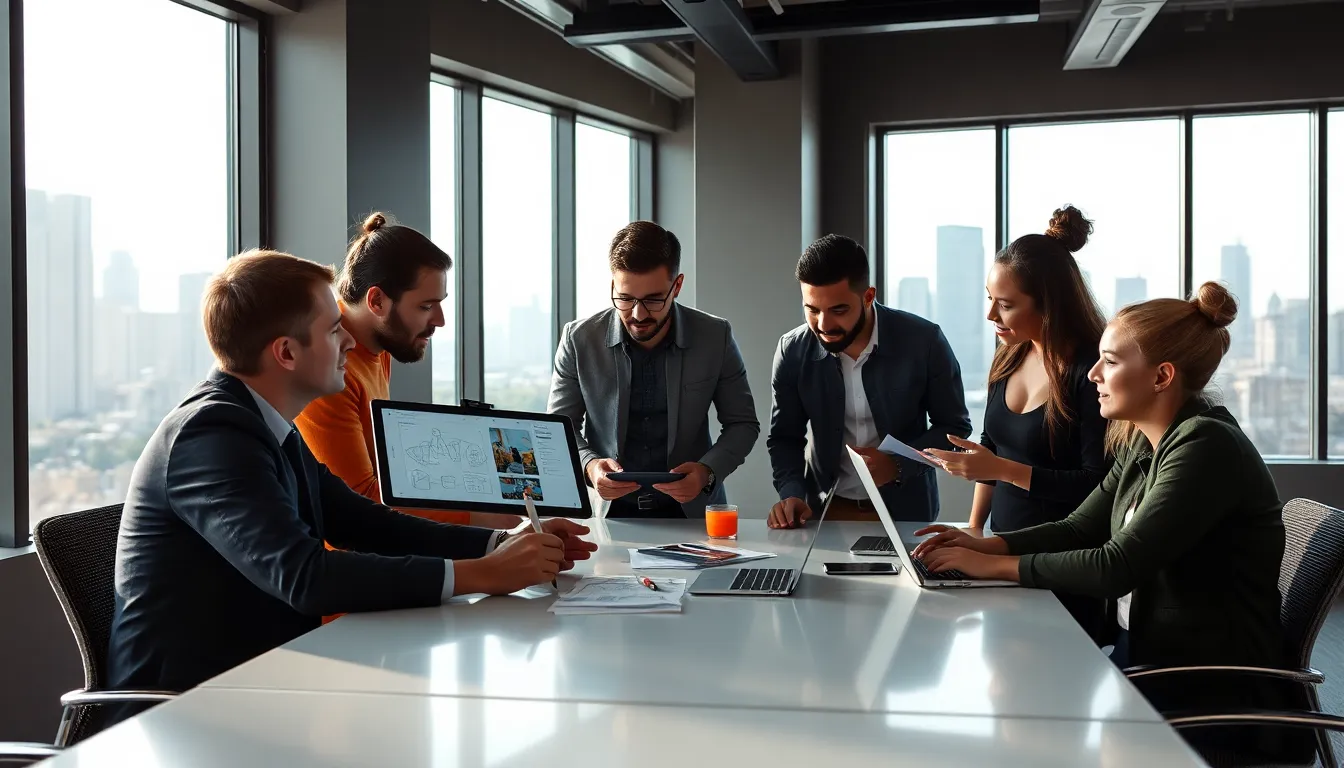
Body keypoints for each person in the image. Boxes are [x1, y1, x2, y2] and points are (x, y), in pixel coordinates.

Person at [107, 250, 596, 701]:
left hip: (265, 688)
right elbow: (304, 576)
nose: (348, 340)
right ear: (286, 353)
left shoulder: (264, 423)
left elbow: (361, 520)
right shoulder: (211, 435)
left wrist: (501, 544)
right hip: (186, 714)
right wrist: (481, 575)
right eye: (333, 329)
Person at [912, 283, 1293, 756]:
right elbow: (1078, 528)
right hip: (1150, 660)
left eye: (1110, 362)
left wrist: (989, 568)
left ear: (1161, 377)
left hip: (1207, 688)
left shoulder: (1205, 447)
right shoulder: (1143, 441)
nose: (1092, 373)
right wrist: (983, 546)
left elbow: (1117, 565)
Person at [923, 206, 1110, 637]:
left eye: (1005, 304)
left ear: (1049, 306)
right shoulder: (1010, 354)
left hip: (1060, 562)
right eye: (989, 298)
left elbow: (1095, 484)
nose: (991, 315)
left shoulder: (1092, 374)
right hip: (998, 551)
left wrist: (1002, 471)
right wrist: (973, 526)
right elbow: (991, 445)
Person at [296, 213, 518, 529]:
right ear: (377, 301)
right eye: (426, 306)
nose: (440, 320)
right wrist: (483, 520)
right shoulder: (331, 370)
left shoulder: (377, 345)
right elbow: (357, 501)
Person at [547, 221, 759, 518]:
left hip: (693, 513)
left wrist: (706, 473)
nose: (637, 314)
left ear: (678, 286)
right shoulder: (578, 339)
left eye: (652, 300)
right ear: (612, 286)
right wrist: (589, 467)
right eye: (625, 298)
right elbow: (558, 427)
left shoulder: (715, 336)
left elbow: (743, 424)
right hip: (607, 515)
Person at [768, 234, 971, 527]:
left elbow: (955, 428)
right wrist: (791, 492)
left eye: (838, 310)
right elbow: (785, 437)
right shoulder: (793, 350)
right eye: (812, 310)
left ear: (868, 297)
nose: (823, 325)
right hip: (824, 512)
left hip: (907, 514)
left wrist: (898, 464)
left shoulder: (924, 342)